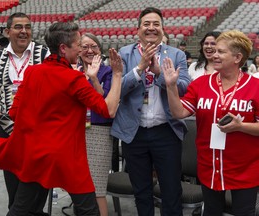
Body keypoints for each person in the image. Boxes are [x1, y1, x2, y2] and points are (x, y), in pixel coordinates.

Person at [0, 21, 123, 216]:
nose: (81, 49)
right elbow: (108, 109)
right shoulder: (73, 79)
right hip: (68, 157)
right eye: (78, 44)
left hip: (37, 155)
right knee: (88, 210)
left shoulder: (32, 72)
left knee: (22, 209)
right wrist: (117, 75)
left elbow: (14, 112)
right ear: (63, 48)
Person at [162, 29, 259, 216]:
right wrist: (171, 86)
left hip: (245, 168)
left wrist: (241, 127)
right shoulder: (200, 84)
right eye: (214, 51)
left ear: (237, 57)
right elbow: (178, 112)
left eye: (221, 51)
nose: (214, 55)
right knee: (211, 212)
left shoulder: (255, 87)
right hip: (209, 166)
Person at [111, 7, 191, 216]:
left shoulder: (177, 54)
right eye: (146, 24)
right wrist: (139, 69)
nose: (151, 28)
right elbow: (117, 89)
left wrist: (158, 74)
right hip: (133, 132)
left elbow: (184, 87)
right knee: (141, 191)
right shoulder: (124, 54)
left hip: (166, 131)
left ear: (163, 29)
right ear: (138, 30)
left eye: (156, 24)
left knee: (172, 190)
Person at [0, 12, 50, 216]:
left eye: (27, 27)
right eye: (18, 27)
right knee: (15, 189)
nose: (24, 31)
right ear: (8, 32)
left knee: (37, 192)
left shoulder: (44, 54)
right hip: (8, 132)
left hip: (39, 133)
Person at [77, 33, 114, 216]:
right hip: (75, 131)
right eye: (84, 47)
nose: (89, 50)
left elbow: (104, 104)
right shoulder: (72, 70)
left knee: (97, 186)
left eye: (94, 46)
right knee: (79, 185)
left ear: (100, 50)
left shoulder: (107, 72)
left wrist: (93, 78)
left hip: (98, 131)